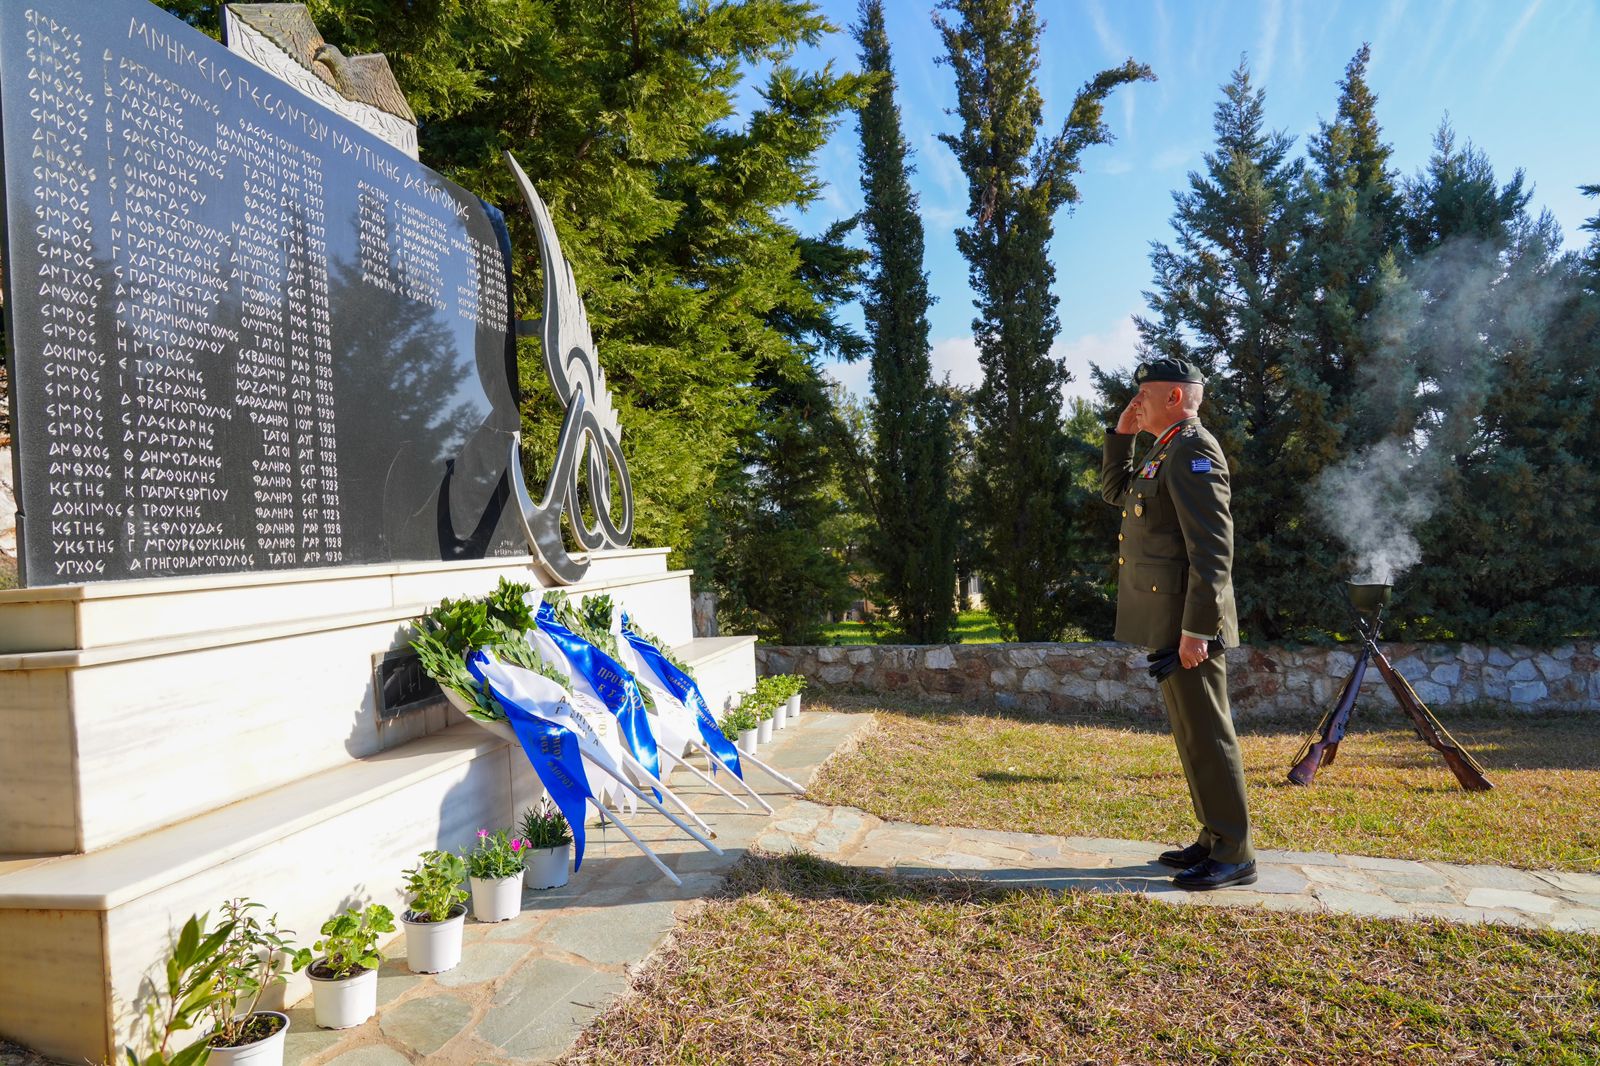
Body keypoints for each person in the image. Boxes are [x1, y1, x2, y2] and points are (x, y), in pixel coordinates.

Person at [1102, 358, 1256, 889]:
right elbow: (1115, 492)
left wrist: (1198, 629)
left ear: (1174, 398)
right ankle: (1213, 837)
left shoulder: (1193, 447)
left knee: (1209, 734)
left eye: (1143, 394)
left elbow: (1212, 550)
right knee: (1192, 734)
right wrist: (1120, 438)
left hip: (1191, 626)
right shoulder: (1164, 448)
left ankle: (1235, 853)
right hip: (1172, 620)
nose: (1134, 403)